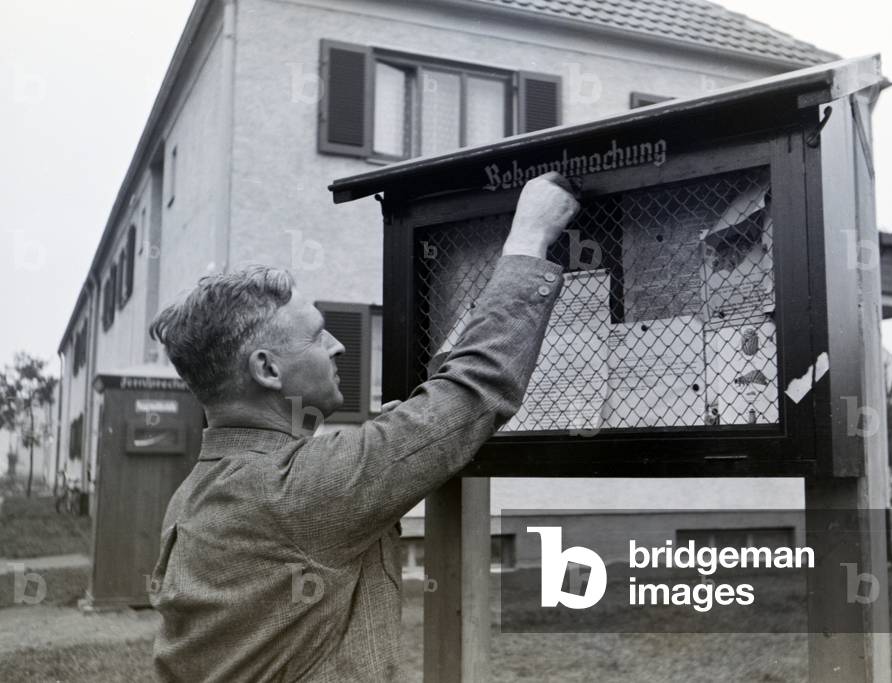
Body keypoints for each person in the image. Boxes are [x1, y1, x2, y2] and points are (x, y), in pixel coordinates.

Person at [148, 172, 579, 682]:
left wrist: (396, 439)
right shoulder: (299, 489)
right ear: (267, 370)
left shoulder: (201, 490)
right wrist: (530, 237)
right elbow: (474, 389)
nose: (339, 346)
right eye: (316, 336)